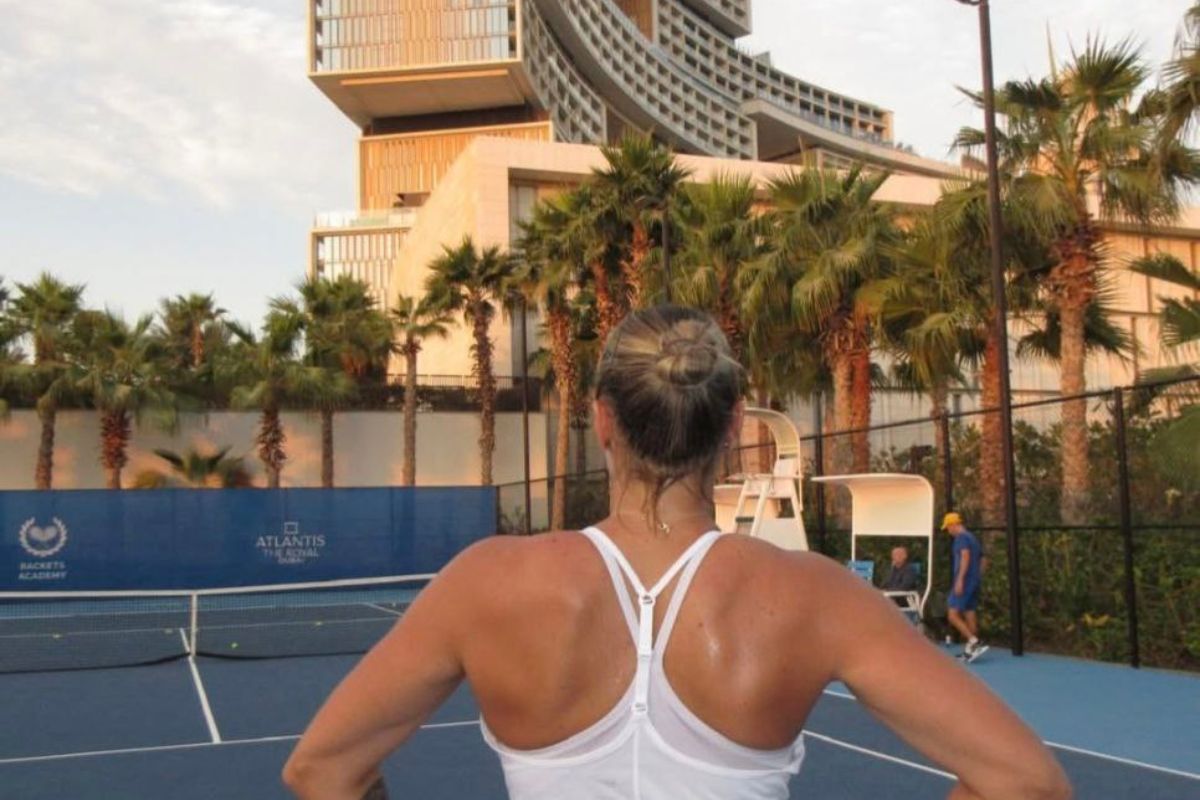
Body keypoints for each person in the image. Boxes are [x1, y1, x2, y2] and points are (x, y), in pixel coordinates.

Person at [283, 306, 1069, 800]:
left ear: (602, 420)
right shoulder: (817, 597)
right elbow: (1027, 783)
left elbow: (320, 770)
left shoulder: (485, 583)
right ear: (733, 424)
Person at [943, 511, 988, 662]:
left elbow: (965, 556)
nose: (948, 531)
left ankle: (974, 641)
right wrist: (977, 576)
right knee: (970, 613)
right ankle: (971, 650)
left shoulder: (961, 538)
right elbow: (983, 559)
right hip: (974, 581)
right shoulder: (972, 538)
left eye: (948, 527)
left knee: (952, 615)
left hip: (965, 580)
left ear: (954, 525)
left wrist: (960, 579)